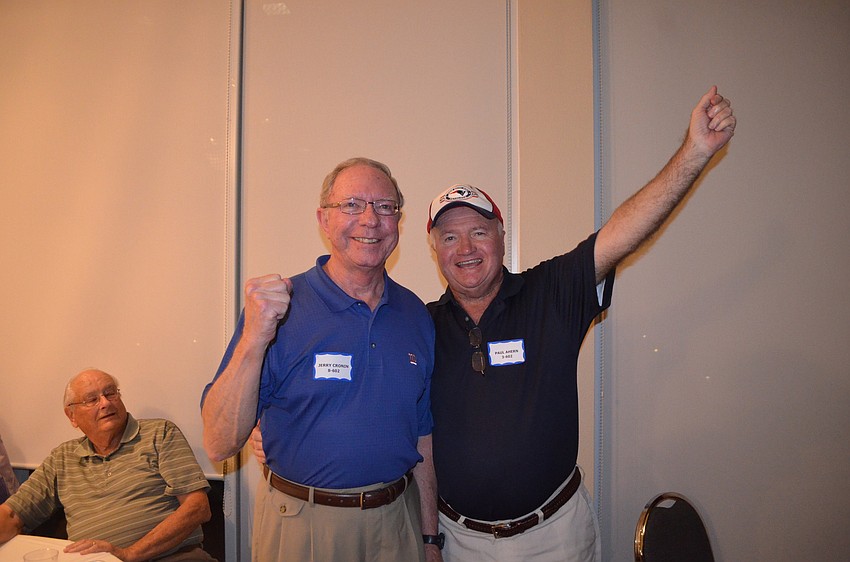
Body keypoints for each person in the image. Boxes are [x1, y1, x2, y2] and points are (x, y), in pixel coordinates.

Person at [425, 86, 736, 561]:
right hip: (459, 543)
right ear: (435, 251)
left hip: (554, 538)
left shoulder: (550, 293)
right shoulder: (421, 325)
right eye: (449, 237)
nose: (465, 248)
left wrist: (693, 152)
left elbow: (621, 234)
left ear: (502, 236)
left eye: (478, 232)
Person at [201, 157, 441, 562]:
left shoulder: (415, 314)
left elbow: (423, 437)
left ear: (398, 222)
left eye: (385, 207)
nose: (370, 219)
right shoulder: (280, 307)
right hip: (304, 526)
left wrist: (430, 539)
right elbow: (219, 442)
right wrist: (255, 338)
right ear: (323, 220)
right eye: (351, 205)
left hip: (398, 526)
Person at [0, 368, 215, 562]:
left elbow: (198, 508)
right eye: (91, 399)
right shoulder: (62, 458)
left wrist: (129, 554)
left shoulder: (160, 434)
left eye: (110, 393)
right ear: (71, 416)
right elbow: (12, 515)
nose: (105, 403)